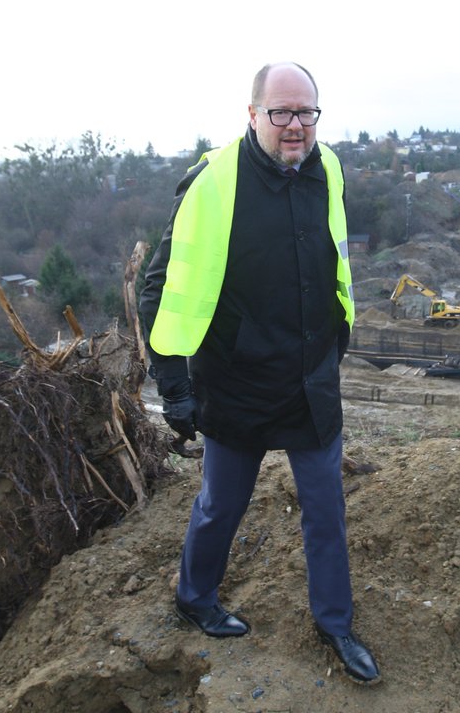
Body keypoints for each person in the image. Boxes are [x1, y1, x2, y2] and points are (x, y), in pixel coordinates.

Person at [137, 62, 380, 685]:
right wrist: (175, 387)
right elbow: (157, 286)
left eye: (307, 112)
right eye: (281, 113)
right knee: (222, 503)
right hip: (237, 378)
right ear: (253, 115)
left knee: (326, 509)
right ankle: (195, 599)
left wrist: (339, 337)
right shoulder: (214, 182)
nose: (295, 126)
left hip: (310, 377)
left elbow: (334, 262)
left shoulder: (329, 169)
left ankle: (335, 625)